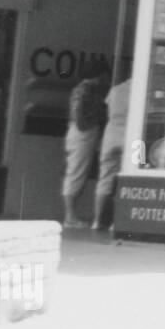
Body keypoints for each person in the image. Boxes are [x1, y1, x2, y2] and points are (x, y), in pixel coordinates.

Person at [62, 74, 109, 228]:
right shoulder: (85, 89)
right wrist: (87, 126)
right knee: (77, 172)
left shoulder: (83, 89)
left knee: (76, 172)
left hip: (81, 132)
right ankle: (70, 216)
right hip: (83, 133)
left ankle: (71, 215)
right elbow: (78, 112)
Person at [93, 75, 132, 230]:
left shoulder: (115, 90)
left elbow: (108, 109)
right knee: (131, 179)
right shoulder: (142, 89)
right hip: (133, 136)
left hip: (111, 135)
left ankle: (97, 221)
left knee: (104, 179)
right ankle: (118, 222)